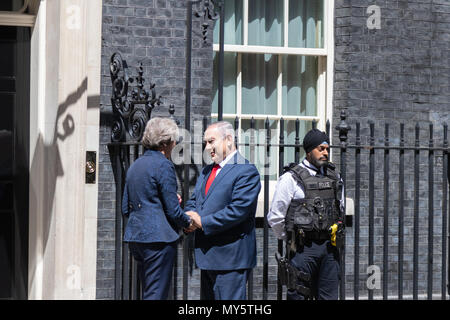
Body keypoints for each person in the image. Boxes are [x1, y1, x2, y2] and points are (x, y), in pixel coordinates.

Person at [121, 117, 199, 300]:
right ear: (165, 142)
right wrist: (188, 222)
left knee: (148, 291)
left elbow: (126, 207)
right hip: (158, 239)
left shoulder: (135, 166)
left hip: (137, 238)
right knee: (156, 294)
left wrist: (157, 202)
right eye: (173, 141)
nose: (174, 144)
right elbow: (172, 211)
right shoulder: (163, 165)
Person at [184, 121, 261, 300]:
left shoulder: (246, 170)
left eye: (211, 141)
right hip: (208, 255)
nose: (207, 147)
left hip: (230, 259)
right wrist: (188, 219)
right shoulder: (206, 171)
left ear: (228, 140)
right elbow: (194, 201)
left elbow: (238, 211)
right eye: (205, 143)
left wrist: (202, 222)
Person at [267, 128, 345, 300]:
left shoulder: (335, 177)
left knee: (329, 296)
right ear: (309, 151)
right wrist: (290, 239)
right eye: (320, 149)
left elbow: (340, 208)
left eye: (327, 149)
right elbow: (276, 217)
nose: (325, 153)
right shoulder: (290, 178)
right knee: (298, 296)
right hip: (303, 249)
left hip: (330, 249)